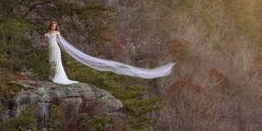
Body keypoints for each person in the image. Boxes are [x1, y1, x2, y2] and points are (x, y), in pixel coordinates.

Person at [44, 21, 175, 84]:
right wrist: (48, 41)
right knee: (51, 61)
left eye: (56, 26)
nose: (54, 27)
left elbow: (61, 42)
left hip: (56, 48)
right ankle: (51, 76)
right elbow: (46, 41)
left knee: (57, 61)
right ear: (50, 26)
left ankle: (58, 77)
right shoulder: (46, 34)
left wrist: (66, 49)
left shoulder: (57, 33)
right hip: (51, 48)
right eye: (53, 25)